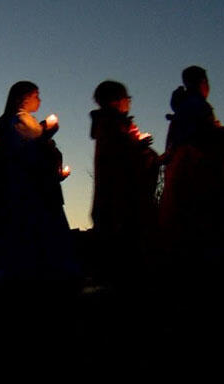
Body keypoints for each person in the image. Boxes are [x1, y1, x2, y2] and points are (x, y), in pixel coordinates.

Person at [0, 81, 76, 285]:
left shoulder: (25, 121)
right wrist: (45, 135)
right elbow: (24, 152)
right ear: (22, 98)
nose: (40, 100)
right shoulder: (17, 120)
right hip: (29, 191)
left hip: (35, 187)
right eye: (36, 95)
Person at [158, 66, 224, 258]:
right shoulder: (199, 106)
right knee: (200, 226)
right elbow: (207, 138)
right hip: (198, 172)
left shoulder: (182, 108)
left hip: (179, 171)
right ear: (202, 83)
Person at [89, 80, 159, 283]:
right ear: (116, 100)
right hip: (122, 193)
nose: (129, 102)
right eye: (126, 98)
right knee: (124, 237)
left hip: (113, 192)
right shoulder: (112, 125)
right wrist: (139, 148)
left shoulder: (112, 124)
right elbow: (119, 155)